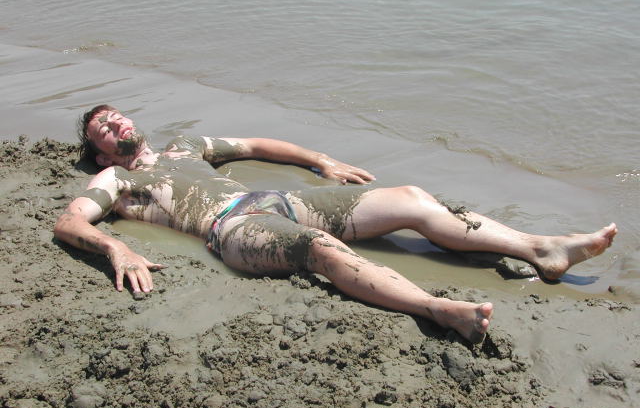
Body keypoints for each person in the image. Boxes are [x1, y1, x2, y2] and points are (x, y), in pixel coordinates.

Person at [54, 105, 618, 343]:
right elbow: (70, 221)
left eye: (117, 115)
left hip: (276, 199)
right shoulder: (115, 179)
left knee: (412, 199)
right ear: (101, 151)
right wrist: (116, 249)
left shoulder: (185, 145)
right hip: (231, 228)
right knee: (316, 247)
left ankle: (538, 249)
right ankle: (435, 309)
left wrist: (319, 160)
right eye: (104, 127)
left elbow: (255, 144)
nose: (116, 123)